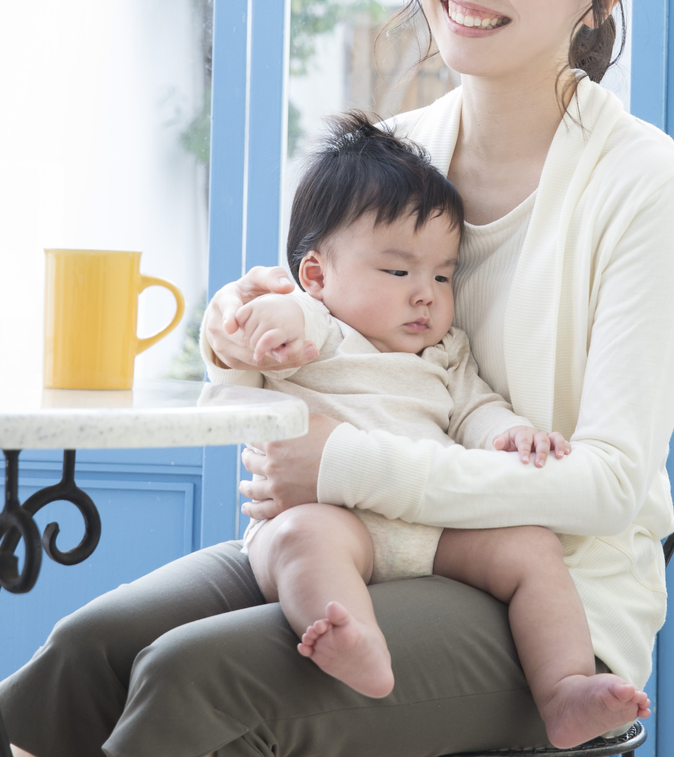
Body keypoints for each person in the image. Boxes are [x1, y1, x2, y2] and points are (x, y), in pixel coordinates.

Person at [0, 0, 674, 757]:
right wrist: (236, 328)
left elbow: (611, 485)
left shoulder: (641, 183)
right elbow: (319, 331)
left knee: (195, 680)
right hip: (351, 543)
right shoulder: (401, 155)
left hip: (550, 604)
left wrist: (347, 463)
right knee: (86, 651)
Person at [216, 110, 650, 747]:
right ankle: (352, 638)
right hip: (329, 518)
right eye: (398, 272)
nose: (426, 294)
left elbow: (472, 410)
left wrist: (509, 433)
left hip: (430, 531)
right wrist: (255, 321)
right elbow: (241, 353)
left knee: (530, 547)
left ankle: (563, 688)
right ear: (317, 274)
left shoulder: (444, 352)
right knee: (304, 538)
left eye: (443, 275)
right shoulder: (313, 324)